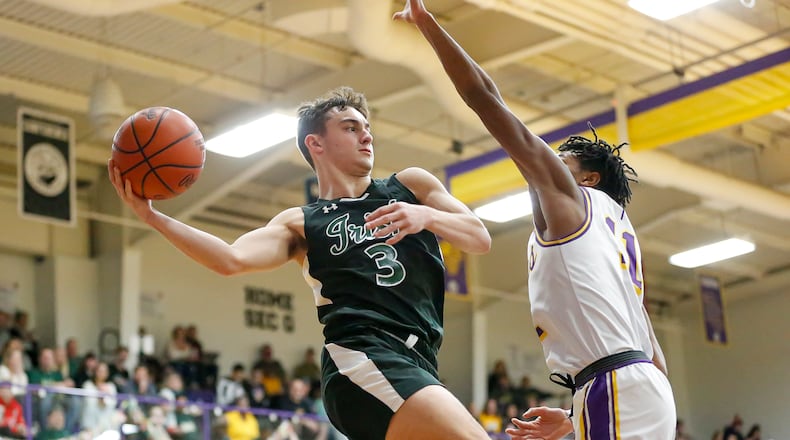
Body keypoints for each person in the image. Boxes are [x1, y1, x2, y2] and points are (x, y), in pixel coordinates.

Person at [108, 85, 492, 440]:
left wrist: (427, 217)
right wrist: (152, 217)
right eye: (351, 127)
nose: (367, 135)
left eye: (367, 127)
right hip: (363, 358)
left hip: (420, 361)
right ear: (316, 143)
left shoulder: (410, 187)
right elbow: (230, 259)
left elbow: (479, 238)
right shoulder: (302, 223)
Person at [397, 1, 676, 439]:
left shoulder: (573, 201)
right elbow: (653, 356)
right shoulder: (617, 233)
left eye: (560, 160)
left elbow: (486, 99)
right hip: (638, 386)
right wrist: (577, 417)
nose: (546, 164)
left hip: (616, 385)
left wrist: (429, 25)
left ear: (589, 177)